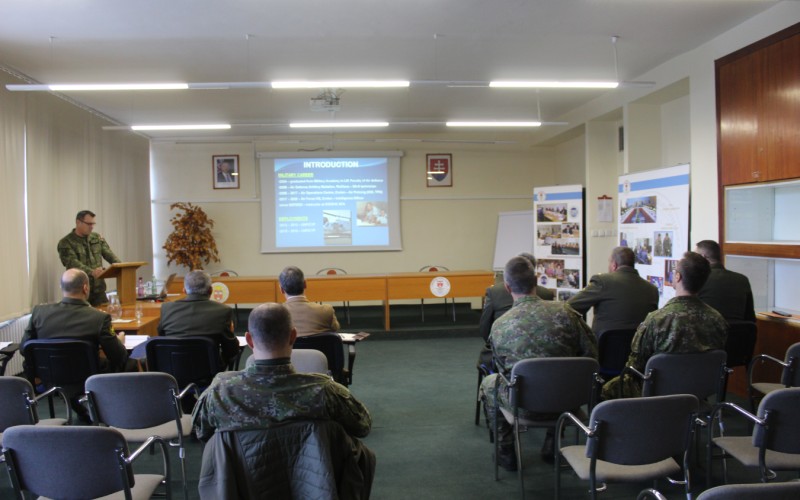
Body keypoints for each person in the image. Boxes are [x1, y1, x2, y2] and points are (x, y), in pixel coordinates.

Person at [192, 303, 374, 493]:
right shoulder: (324, 390)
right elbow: (363, 426)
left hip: (245, 489)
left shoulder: (220, 393)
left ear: (249, 340)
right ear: (293, 336)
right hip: (315, 487)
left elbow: (202, 432)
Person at [480, 256, 597, 471]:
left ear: (507, 287)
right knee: (562, 378)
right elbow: (591, 357)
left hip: (523, 406)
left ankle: (506, 451)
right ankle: (553, 444)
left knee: (489, 383)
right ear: (536, 281)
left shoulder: (500, 326)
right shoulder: (568, 314)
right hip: (568, 403)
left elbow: (502, 370)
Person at [601, 252, 729, 400]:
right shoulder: (718, 319)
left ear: (678, 277)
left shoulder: (657, 319)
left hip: (658, 393)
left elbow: (635, 366)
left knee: (608, 389)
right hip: (699, 391)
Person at [21, 269, 136, 420]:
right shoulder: (99, 318)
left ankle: (79, 410)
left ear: (61, 287)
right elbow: (118, 356)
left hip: (48, 376)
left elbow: (24, 348)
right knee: (130, 364)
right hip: (86, 377)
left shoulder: (39, 313)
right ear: (85, 288)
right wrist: (120, 342)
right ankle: (117, 416)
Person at [567, 246, 659, 336]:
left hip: (603, 349)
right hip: (638, 350)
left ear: (614, 265)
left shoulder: (602, 282)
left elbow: (569, 308)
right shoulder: (652, 290)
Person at [157, 270, 240, 366]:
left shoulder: (167, 309)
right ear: (210, 290)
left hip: (173, 366)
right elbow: (231, 350)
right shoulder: (224, 310)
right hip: (209, 370)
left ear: (184, 290)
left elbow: (161, 337)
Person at [478, 253, 554, 342]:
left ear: (507, 287)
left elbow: (485, 327)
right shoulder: (547, 294)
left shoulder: (494, 292)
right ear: (535, 279)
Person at [57, 210, 121, 306]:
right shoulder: (66, 242)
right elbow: (72, 263)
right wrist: (92, 272)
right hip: (79, 292)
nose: (92, 227)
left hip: (99, 291)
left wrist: (121, 266)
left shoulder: (96, 238)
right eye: (89, 224)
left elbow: (109, 254)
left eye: (93, 224)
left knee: (105, 317)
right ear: (78, 222)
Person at [695, 240, 756, 323]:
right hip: (739, 334)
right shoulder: (742, 279)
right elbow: (750, 317)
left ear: (703, 257)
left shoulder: (699, 279)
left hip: (710, 333)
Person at [280, 266, 340, 337]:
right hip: (319, 348)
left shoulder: (275, 314)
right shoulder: (326, 310)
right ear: (305, 284)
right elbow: (335, 328)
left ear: (282, 289)